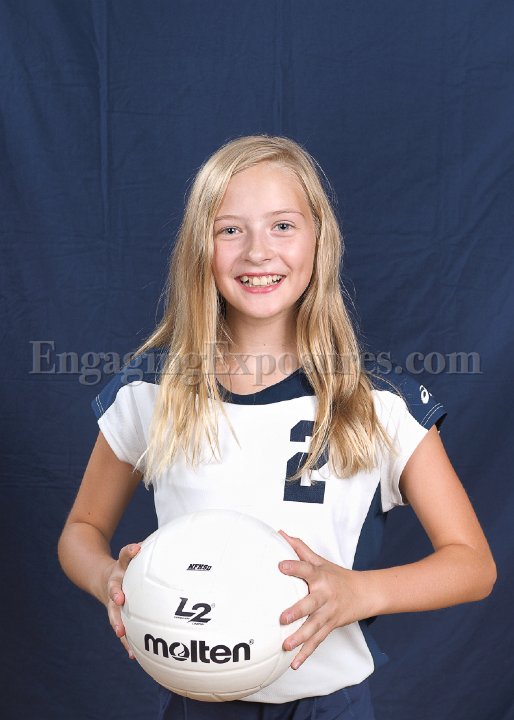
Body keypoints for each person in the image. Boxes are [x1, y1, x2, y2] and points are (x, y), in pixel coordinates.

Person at [58, 135, 496, 720]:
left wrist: (361, 592)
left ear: (320, 239)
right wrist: (109, 580)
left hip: (327, 705)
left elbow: (473, 564)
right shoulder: (152, 389)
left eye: (283, 226)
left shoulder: (374, 401)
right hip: (193, 696)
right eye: (230, 230)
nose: (257, 252)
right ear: (200, 248)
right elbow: (81, 530)